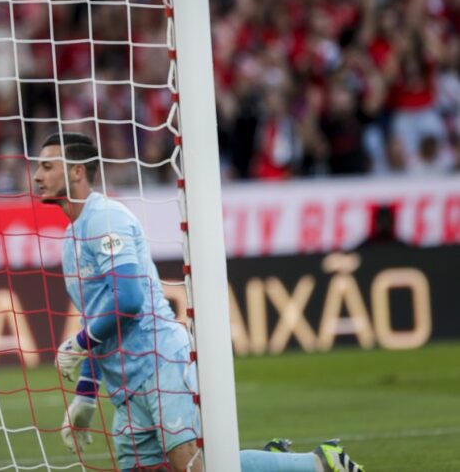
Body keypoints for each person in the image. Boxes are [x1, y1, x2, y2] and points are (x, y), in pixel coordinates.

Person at [33, 132, 365, 472]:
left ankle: (319, 464)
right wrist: (86, 396)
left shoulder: (105, 218)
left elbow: (129, 300)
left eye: (47, 166)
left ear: (77, 172)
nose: (37, 175)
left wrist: (78, 343)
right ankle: (276, 464)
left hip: (158, 362)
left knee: (192, 466)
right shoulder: (70, 239)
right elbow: (98, 320)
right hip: (125, 385)